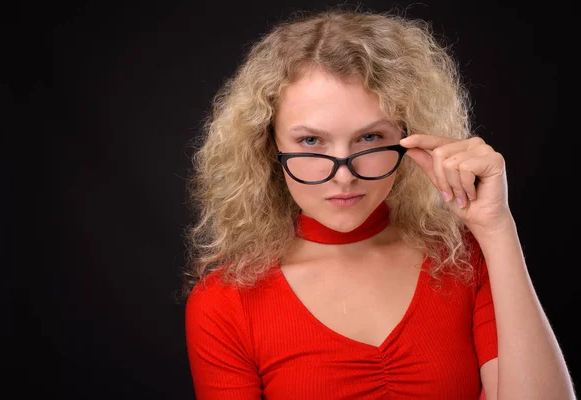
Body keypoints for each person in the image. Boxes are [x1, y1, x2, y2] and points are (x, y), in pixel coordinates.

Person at [181, 8, 575, 400]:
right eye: (311, 142)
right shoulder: (224, 303)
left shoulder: (463, 259)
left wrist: (496, 227)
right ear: (268, 146)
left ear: (410, 136)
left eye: (369, 139)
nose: (344, 176)